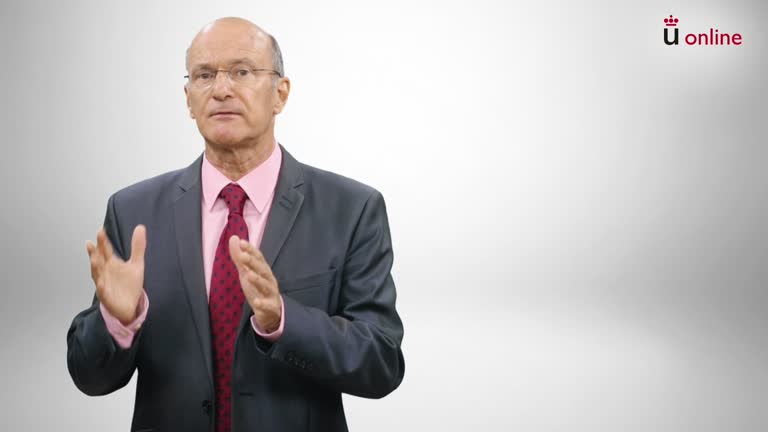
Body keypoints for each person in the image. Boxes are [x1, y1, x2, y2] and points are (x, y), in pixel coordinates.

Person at [66, 17, 404, 432]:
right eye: (204, 75)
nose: (221, 89)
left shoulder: (351, 209)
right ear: (189, 99)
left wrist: (283, 320)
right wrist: (118, 320)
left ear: (280, 93)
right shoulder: (134, 212)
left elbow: (382, 363)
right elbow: (89, 377)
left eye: (242, 72)